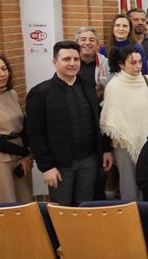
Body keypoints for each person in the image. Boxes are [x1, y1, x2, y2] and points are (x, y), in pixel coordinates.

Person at [26, 41, 113, 206]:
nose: (72, 63)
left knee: (85, 206)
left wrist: (106, 149)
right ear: (55, 62)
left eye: (76, 59)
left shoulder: (88, 87)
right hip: (60, 165)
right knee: (62, 209)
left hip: (89, 161)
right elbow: (35, 134)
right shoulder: (40, 93)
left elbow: (97, 122)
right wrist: (46, 167)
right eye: (66, 59)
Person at [100, 45, 148, 200]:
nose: (138, 66)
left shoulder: (146, 80)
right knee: (129, 184)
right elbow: (110, 120)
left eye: (140, 62)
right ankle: (131, 218)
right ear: (121, 64)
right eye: (133, 62)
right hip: (124, 144)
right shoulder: (114, 86)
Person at [0, 52, 32, 202]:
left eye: (4, 69)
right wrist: (24, 152)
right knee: (5, 201)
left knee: (24, 199)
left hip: (19, 155)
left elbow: (23, 124)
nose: (2, 74)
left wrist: (27, 154)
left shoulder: (12, 93)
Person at [75, 27, 110, 101]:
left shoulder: (106, 64)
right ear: (76, 44)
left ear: (97, 45)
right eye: (83, 39)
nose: (87, 43)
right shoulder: (70, 63)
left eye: (91, 40)